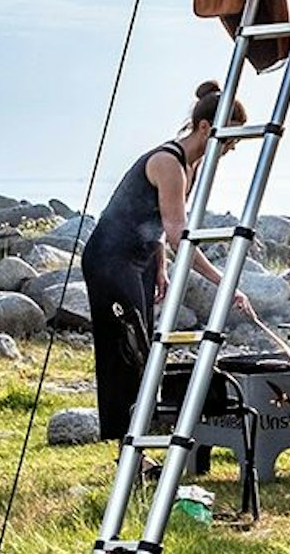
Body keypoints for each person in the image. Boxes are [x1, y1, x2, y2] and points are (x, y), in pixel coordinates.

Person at [80, 81, 224, 442]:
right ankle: (128, 449)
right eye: (227, 141)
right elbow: (178, 233)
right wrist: (219, 278)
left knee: (145, 349)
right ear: (205, 128)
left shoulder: (190, 167)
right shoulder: (167, 162)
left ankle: (138, 445)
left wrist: (158, 268)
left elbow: (157, 225)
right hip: (110, 260)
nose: (227, 150)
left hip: (140, 261)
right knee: (126, 350)